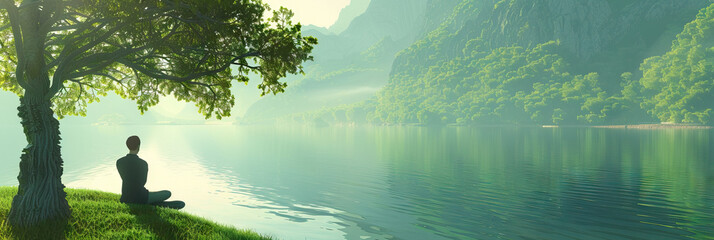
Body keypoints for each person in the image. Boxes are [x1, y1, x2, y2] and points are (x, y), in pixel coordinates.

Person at [117, 135, 185, 209]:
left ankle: (152, 203)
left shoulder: (119, 162)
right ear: (138, 146)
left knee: (155, 197)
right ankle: (154, 204)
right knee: (168, 193)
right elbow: (143, 182)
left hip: (125, 197)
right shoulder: (143, 163)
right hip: (141, 197)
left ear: (127, 146)